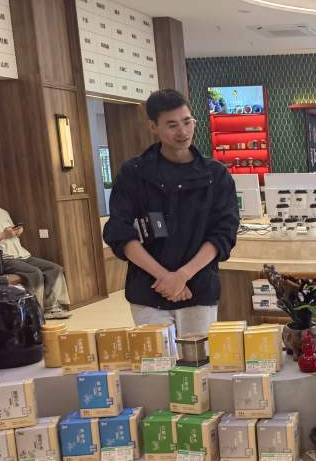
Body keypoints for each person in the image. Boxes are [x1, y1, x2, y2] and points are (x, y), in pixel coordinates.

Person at [103, 89, 240, 336]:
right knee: (156, 359)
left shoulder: (216, 175)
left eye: (187, 122)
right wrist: (167, 278)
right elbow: (119, 232)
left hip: (198, 288)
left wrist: (183, 275)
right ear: (153, 127)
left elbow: (224, 233)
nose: (183, 131)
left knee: (199, 358)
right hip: (148, 290)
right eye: (172, 125)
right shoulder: (134, 172)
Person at [0, 208, 71, 319]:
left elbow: (11, 233)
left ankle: (52, 308)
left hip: (22, 254)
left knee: (55, 269)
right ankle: (36, 312)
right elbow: (5, 234)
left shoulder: (3, 212)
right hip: (5, 259)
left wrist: (17, 232)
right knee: (34, 273)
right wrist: (4, 234)